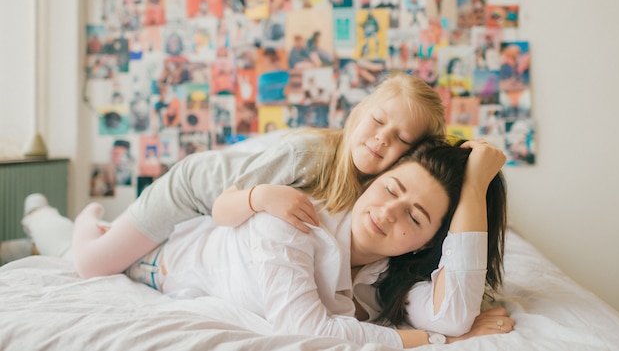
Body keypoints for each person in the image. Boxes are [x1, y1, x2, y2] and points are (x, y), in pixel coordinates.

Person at [72, 138, 511, 348]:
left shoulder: (389, 276)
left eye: (415, 217)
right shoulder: (291, 223)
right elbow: (308, 332)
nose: (388, 213)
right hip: (163, 258)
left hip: (193, 255)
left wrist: (474, 189)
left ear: (429, 242)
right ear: (372, 180)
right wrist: (432, 341)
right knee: (86, 249)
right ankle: (77, 220)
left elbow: (453, 315)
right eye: (391, 189)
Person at [70, 72, 447, 279]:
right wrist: (262, 197)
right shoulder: (307, 155)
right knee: (93, 265)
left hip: (216, 224)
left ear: (411, 157)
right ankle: (88, 218)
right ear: (361, 112)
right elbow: (222, 208)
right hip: (194, 192)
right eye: (378, 121)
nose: (382, 138)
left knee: (130, 254)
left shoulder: (382, 192)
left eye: (401, 138)